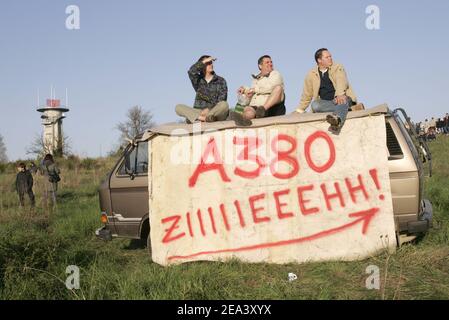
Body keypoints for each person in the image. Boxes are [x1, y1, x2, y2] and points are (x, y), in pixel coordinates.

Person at [294, 48, 357, 133]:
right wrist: (299, 110)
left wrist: (339, 94)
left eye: (330, 56)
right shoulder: (311, 74)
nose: (330, 58)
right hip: (326, 104)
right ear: (319, 60)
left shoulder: (337, 67)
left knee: (342, 101)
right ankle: (348, 109)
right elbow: (307, 95)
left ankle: (337, 120)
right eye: (327, 57)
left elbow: (341, 80)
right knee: (315, 105)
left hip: (341, 98)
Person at [230, 55, 285, 126]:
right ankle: (244, 119)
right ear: (260, 66)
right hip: (256, 106)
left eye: (271, 62)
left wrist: (255, 90)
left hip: (270, 107)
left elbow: (270, 87)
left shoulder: (275, 74)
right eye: (267, 62)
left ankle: (262, 110)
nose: (270, 64)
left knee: (278, 88)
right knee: (249, 112)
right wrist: (245, 90)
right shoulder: (255, 79)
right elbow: (253, 90)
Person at [175, 55, 229, 123]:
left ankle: (198, 118)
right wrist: (203, 61)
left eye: (211, 63)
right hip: (199, 112)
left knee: (224, 105)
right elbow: (191, 71)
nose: (211, 65)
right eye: (207, 63)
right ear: (202, 65)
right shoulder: (198, 80)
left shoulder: (221, 80)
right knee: (178, 107)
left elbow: (222, 99)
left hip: (214, 112)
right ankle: (203, 119)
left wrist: (209, 109)